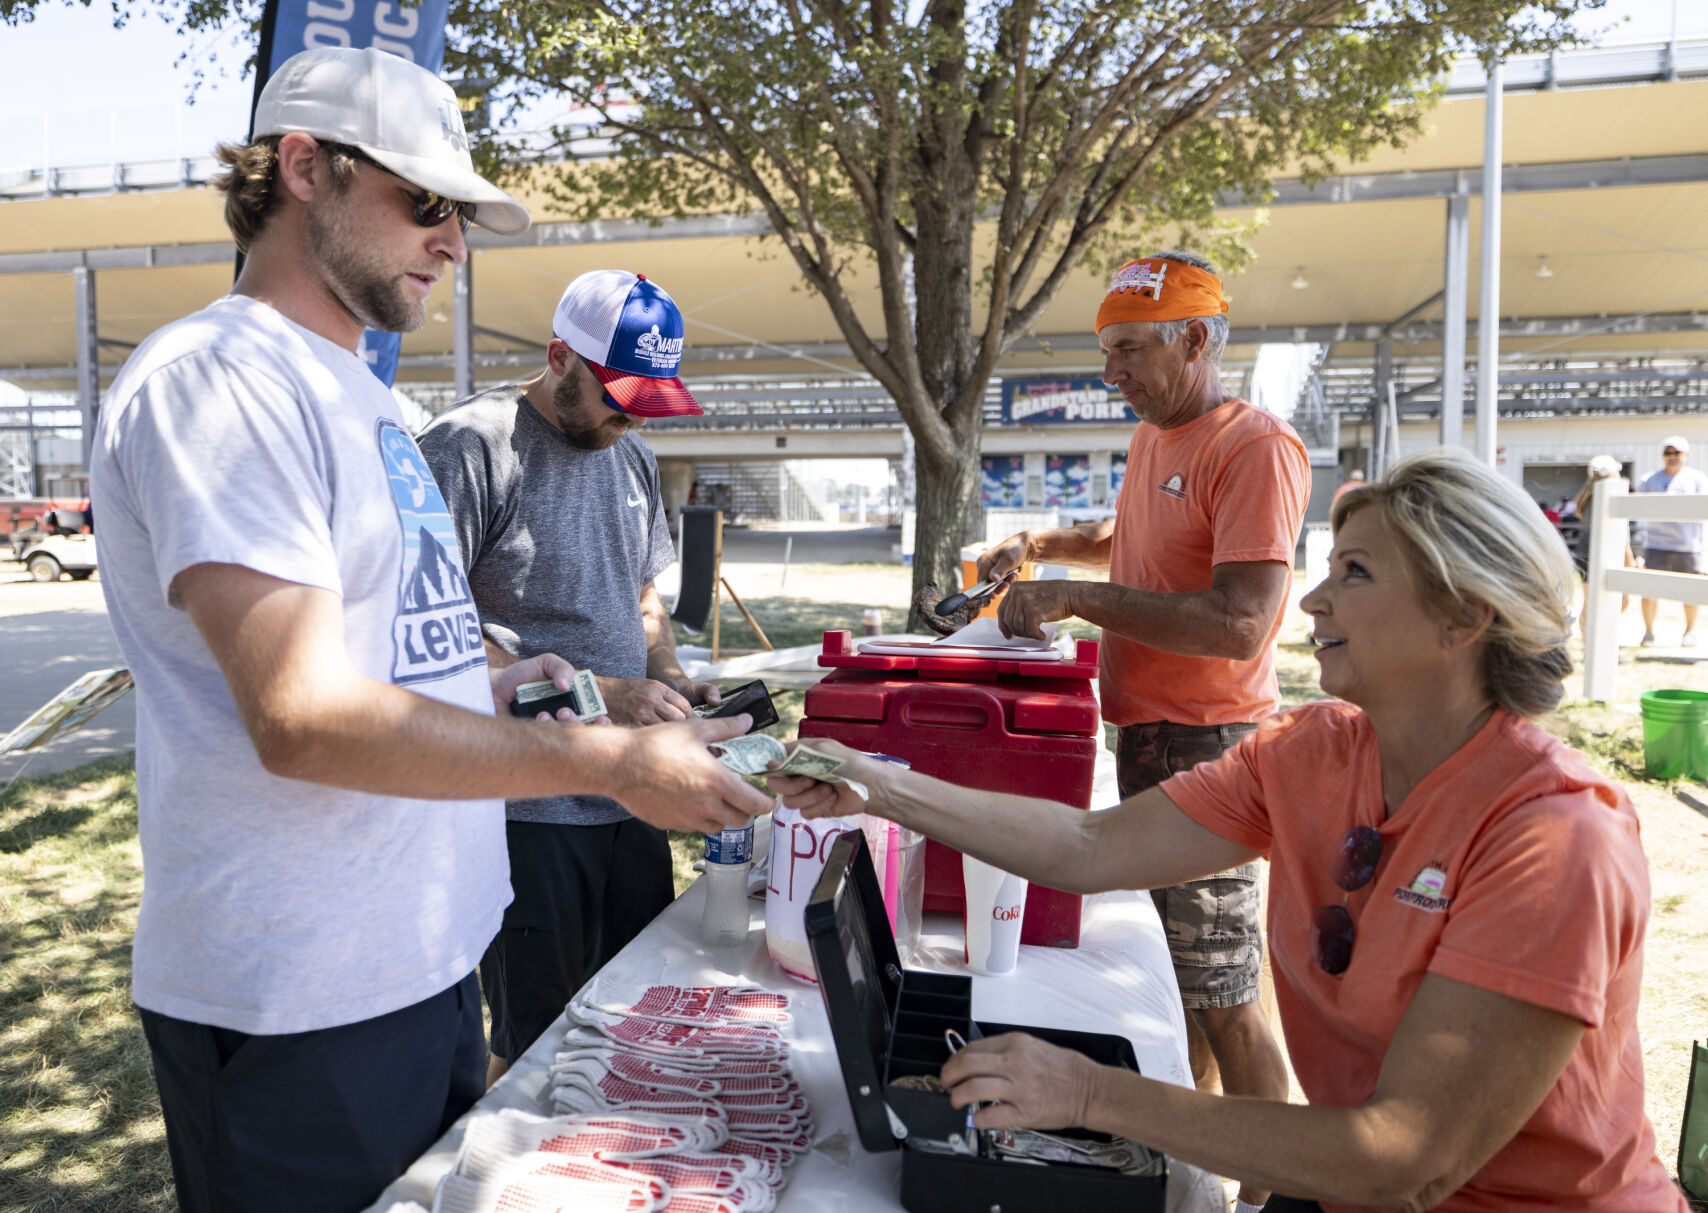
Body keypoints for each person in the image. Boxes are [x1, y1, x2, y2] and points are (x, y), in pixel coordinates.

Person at [88, 47, 769, 1213]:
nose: (453, 242)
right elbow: (301, 717)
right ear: (304, 167)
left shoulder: (361, 396)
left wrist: (505, 682)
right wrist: (605, 758)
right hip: (298, 992)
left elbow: (385, 653)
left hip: (422, 960)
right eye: (428, 203)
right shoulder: (222, 379)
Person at [775, 449, 1684, 1212]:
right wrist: (879, 787)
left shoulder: (1556, 839)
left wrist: (1092, 1093)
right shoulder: (1313, 752)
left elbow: (1409, 1156)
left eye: (1355, 573)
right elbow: (1090, 849)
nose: (1313, 601)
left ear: (1465, 615)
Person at [975, 250, 1305, 1212]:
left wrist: (1075, 596)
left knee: (1226, 986)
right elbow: (1139, 542)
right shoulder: (1158, 437)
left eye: (1128, 351)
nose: (1109, 373)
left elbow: (1243, 617)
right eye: (1105, 351)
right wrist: (1038, 545)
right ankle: (1194, 1163)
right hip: (1150, 736)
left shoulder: (1253, 446)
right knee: (1178, 977)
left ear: (1196, 339)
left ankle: (1273, 1194)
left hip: (1213, 742)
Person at [418, 269, 720, 1086]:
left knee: (635, 1013)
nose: (629, 420)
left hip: (633, 793)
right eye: (618, 398)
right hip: (527, 806)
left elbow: (644, 597)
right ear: (559, 356)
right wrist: (608, 694)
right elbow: (427, 638)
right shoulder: (469, 448)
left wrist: (672, 678)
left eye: (647, 403)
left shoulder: (633, 458)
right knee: (533, 1045)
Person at [1638, 435, 1708, 647]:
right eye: (1668, 452)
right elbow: (1638, 508)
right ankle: (1648, 632)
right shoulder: (1649, 479)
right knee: (1649, 589)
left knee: (1691, 590)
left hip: (1687, 545)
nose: (1672, 457)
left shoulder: (1697, 478)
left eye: (1676, 452)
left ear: (1685, 454)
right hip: (1656, 543)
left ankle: (1689, 631)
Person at [1572, 455, 1636, 638]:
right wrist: (1629, 559)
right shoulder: (1610, 498)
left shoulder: (1586, 498)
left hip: (1585, 553)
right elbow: (1620, 533)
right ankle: (1601, 639)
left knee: (1589, 602)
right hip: (1607, 553)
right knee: (1620, 600)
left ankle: (1589, 642)